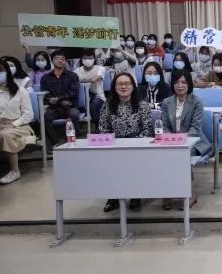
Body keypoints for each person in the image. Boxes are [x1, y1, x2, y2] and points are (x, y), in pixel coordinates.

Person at [98, 72, 154, 212]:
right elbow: (103, 128)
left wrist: (132, 144)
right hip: (114, 146)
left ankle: (135, 195)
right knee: (109, 161)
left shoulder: (142, 105)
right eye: (120, 84)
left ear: (133, 86)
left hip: (137, 146)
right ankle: (113, 197)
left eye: (127, 83)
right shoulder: (108, 105)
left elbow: (147, 130)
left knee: (133, 161)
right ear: (114, 87)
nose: (123, 86)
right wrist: (113, 144)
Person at [160, 70, 205, 209]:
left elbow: (195, 129)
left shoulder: (197, 102)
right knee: (164, 154)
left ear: (189, 84)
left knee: (182, 153)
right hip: (171, 142)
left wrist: (181, 141)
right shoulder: (166, 102)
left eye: (183, 82)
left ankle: (190, 193)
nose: (180, 85)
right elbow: (165, 126)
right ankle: (168, 191)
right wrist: (171, 140)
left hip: (193, 142)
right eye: (176, 82)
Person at [40, 51, 81, 146]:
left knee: (74, 114)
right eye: (57, 58)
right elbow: (45, 94)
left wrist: (58, 99)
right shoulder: (45, 77)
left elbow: (73, 92)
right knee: (45, 117)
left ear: (66, 61)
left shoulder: (73, 76)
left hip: (69, 106)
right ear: (52, 61)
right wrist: (59, 101)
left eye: (63, 59)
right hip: (54, 107)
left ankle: (71, 139)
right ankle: (56, 142)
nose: (60, 61)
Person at [73, 51, 106, 122]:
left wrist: (80, 80)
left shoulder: (100, 68)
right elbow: (73, 82)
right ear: (81, 59)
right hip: (82, 97)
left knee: (94, 106)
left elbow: (94, 80)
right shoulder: (76, 71)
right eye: (85, 58)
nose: (88, 60)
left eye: (90, 58)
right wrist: (87, 80)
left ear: (94, 59)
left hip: (97, 96)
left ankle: (98, 125)